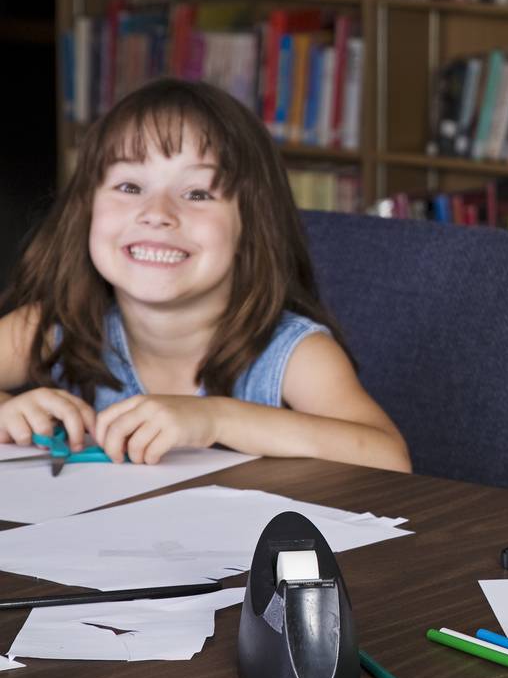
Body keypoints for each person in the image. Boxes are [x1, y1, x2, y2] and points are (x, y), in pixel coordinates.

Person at [0, 78, 409, 472]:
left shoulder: (290, 352)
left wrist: (215, 419)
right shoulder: (52, 327)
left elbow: (388, 457)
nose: (157, 213)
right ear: (85, 212)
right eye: (129, 186)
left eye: (197, 193)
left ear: (249, 226)